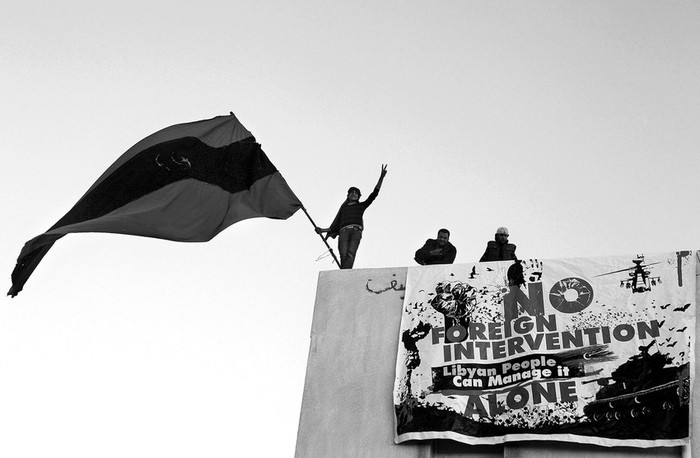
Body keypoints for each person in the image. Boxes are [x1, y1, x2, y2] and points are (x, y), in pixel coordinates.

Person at [316, 165, 387, 269]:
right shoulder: (343, 208)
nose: (354, 194)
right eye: (352, 192)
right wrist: (322, 230)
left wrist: (381, 177)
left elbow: (374, 194)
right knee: (343, 255)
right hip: (343, 231)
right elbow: (335, 225)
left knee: (350, 254)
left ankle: (344, 273)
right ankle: (345, 273)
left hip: (356, 231)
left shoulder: (361, 206)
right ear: (348, 195)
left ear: (359, 196)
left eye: (356, 193)